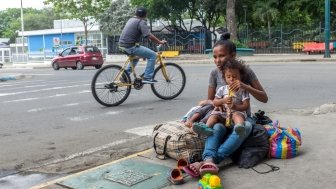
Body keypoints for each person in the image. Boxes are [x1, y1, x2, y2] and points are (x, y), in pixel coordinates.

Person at [183, 32, 268, 177]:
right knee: (216, 127)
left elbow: (264, 98)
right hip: (222, 116)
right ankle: (209, 159)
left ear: (233, 55)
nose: (217, 60)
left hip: (240, 117)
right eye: (215, 57)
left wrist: (245, 86)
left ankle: (209, 162)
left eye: (221, 56)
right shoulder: (214, 73)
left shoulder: (245, 72)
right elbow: (211, 101)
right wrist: (218, 103)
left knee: (246, 126)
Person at [192, 59, 250, 137]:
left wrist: (235, 106)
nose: (231, 79)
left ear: (241, 77)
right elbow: (215, 102)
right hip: (223, 114)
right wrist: (223, 101)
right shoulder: (222, 89)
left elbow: (246, 105)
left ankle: (239, 127)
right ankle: (206, 128)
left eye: (235, 76)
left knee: (237, 115)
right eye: (228, 77)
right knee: (214, 115)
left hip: (237, 112)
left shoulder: (243, 90)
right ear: (224, 78)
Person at [119, 6, 167, 84]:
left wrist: (150, 38)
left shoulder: (131, 20)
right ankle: (147, 77)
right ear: (145, 15)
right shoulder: (141, 22)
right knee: (152, 55)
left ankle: (125, 76)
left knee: (135, 59)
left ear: (136, 13)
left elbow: (141, 33)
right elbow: (149, 36)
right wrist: (160, 42)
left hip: (122, 45)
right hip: (130, 46)